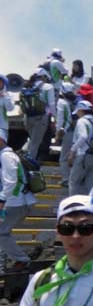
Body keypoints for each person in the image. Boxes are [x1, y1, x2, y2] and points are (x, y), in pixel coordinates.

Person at [0, 129, 35, 273]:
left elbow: (11, 181)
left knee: (1, 233)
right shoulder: (7, 155)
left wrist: (2, 199)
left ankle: (22, 260)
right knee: (3, 233)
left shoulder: (6, 156)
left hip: (16, 202)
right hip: (17, 201)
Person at [68, 100, 93, 195]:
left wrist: (72, 151)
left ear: (81, 110)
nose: (77, 114)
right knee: (92, 185)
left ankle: (74, 205)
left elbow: (83, 136)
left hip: (84, 156)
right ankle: (90, 206)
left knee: (74, 182)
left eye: (78, 111)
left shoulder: (82, 121)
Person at [25, 68, 56, 160]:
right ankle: (29, 163)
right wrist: (55, 116)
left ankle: (25, 155)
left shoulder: (28, 85)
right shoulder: (48, 87)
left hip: (27, 117)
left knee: (32, 139)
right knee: (35, 142)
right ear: (43, 77)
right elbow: (51, 103)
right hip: (41, 118)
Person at [55, 81, 77, 187]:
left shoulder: (61, 102)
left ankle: (66, 179)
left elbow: (61, 119)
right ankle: (75, 178)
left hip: (68, 132)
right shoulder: (77, 101)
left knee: (64, 157)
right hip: (78, 132)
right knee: (75, 156)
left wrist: (58, 133)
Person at [0, 74, 15, 142]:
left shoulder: (8, 95)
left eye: (0, 81)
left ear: (4, 83)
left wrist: (5, 97)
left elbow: (10, 109)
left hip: (2, 126)